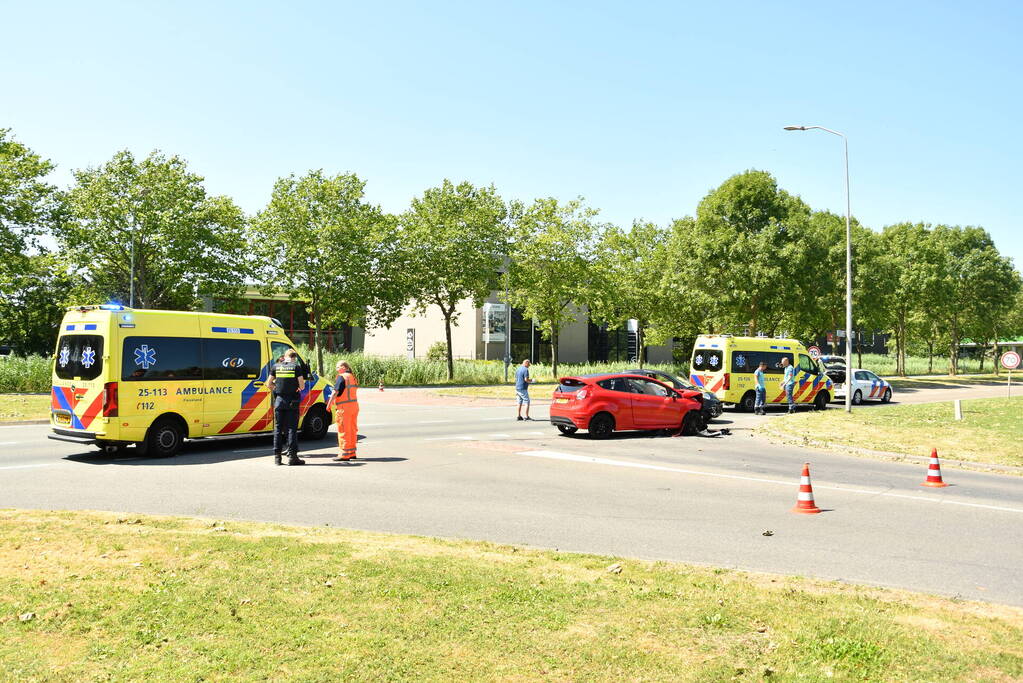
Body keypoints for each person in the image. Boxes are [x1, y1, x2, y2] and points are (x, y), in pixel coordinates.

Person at [267, 348, 306, 465]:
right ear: (294, 358)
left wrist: (277, 389)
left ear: (284, 356)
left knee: (278, 429)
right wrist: (296, 387)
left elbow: (268, 384)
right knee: (291, 429)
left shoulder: (276, 366)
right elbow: (302, 386)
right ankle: (292, 457)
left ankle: (277, 458)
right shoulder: (296, 367)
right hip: (292, 402)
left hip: (279, 401)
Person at [332, 360, 359, 462]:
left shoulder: (342, 377)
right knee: (352, 430)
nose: (336, 369)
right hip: (354, 406)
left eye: (338, 366)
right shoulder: (352, 377)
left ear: (344, 367)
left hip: (344, 408)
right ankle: (352, 452)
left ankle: (344, 454)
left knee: (343, 430)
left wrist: (329, 403)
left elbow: (336, 392)